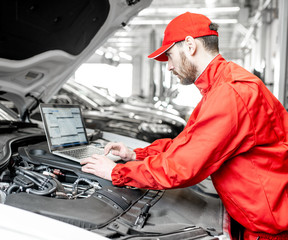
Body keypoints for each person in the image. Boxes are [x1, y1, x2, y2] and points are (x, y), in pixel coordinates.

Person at [80, 12, 288, 240]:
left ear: (190, 45)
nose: (168, 67)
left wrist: (116, 172)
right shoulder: (221, 86)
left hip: (271, 229)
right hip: (259, 217)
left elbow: (182, 167)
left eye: (169, 56)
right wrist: (135, 154)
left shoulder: (231, 93)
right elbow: (188, 143)